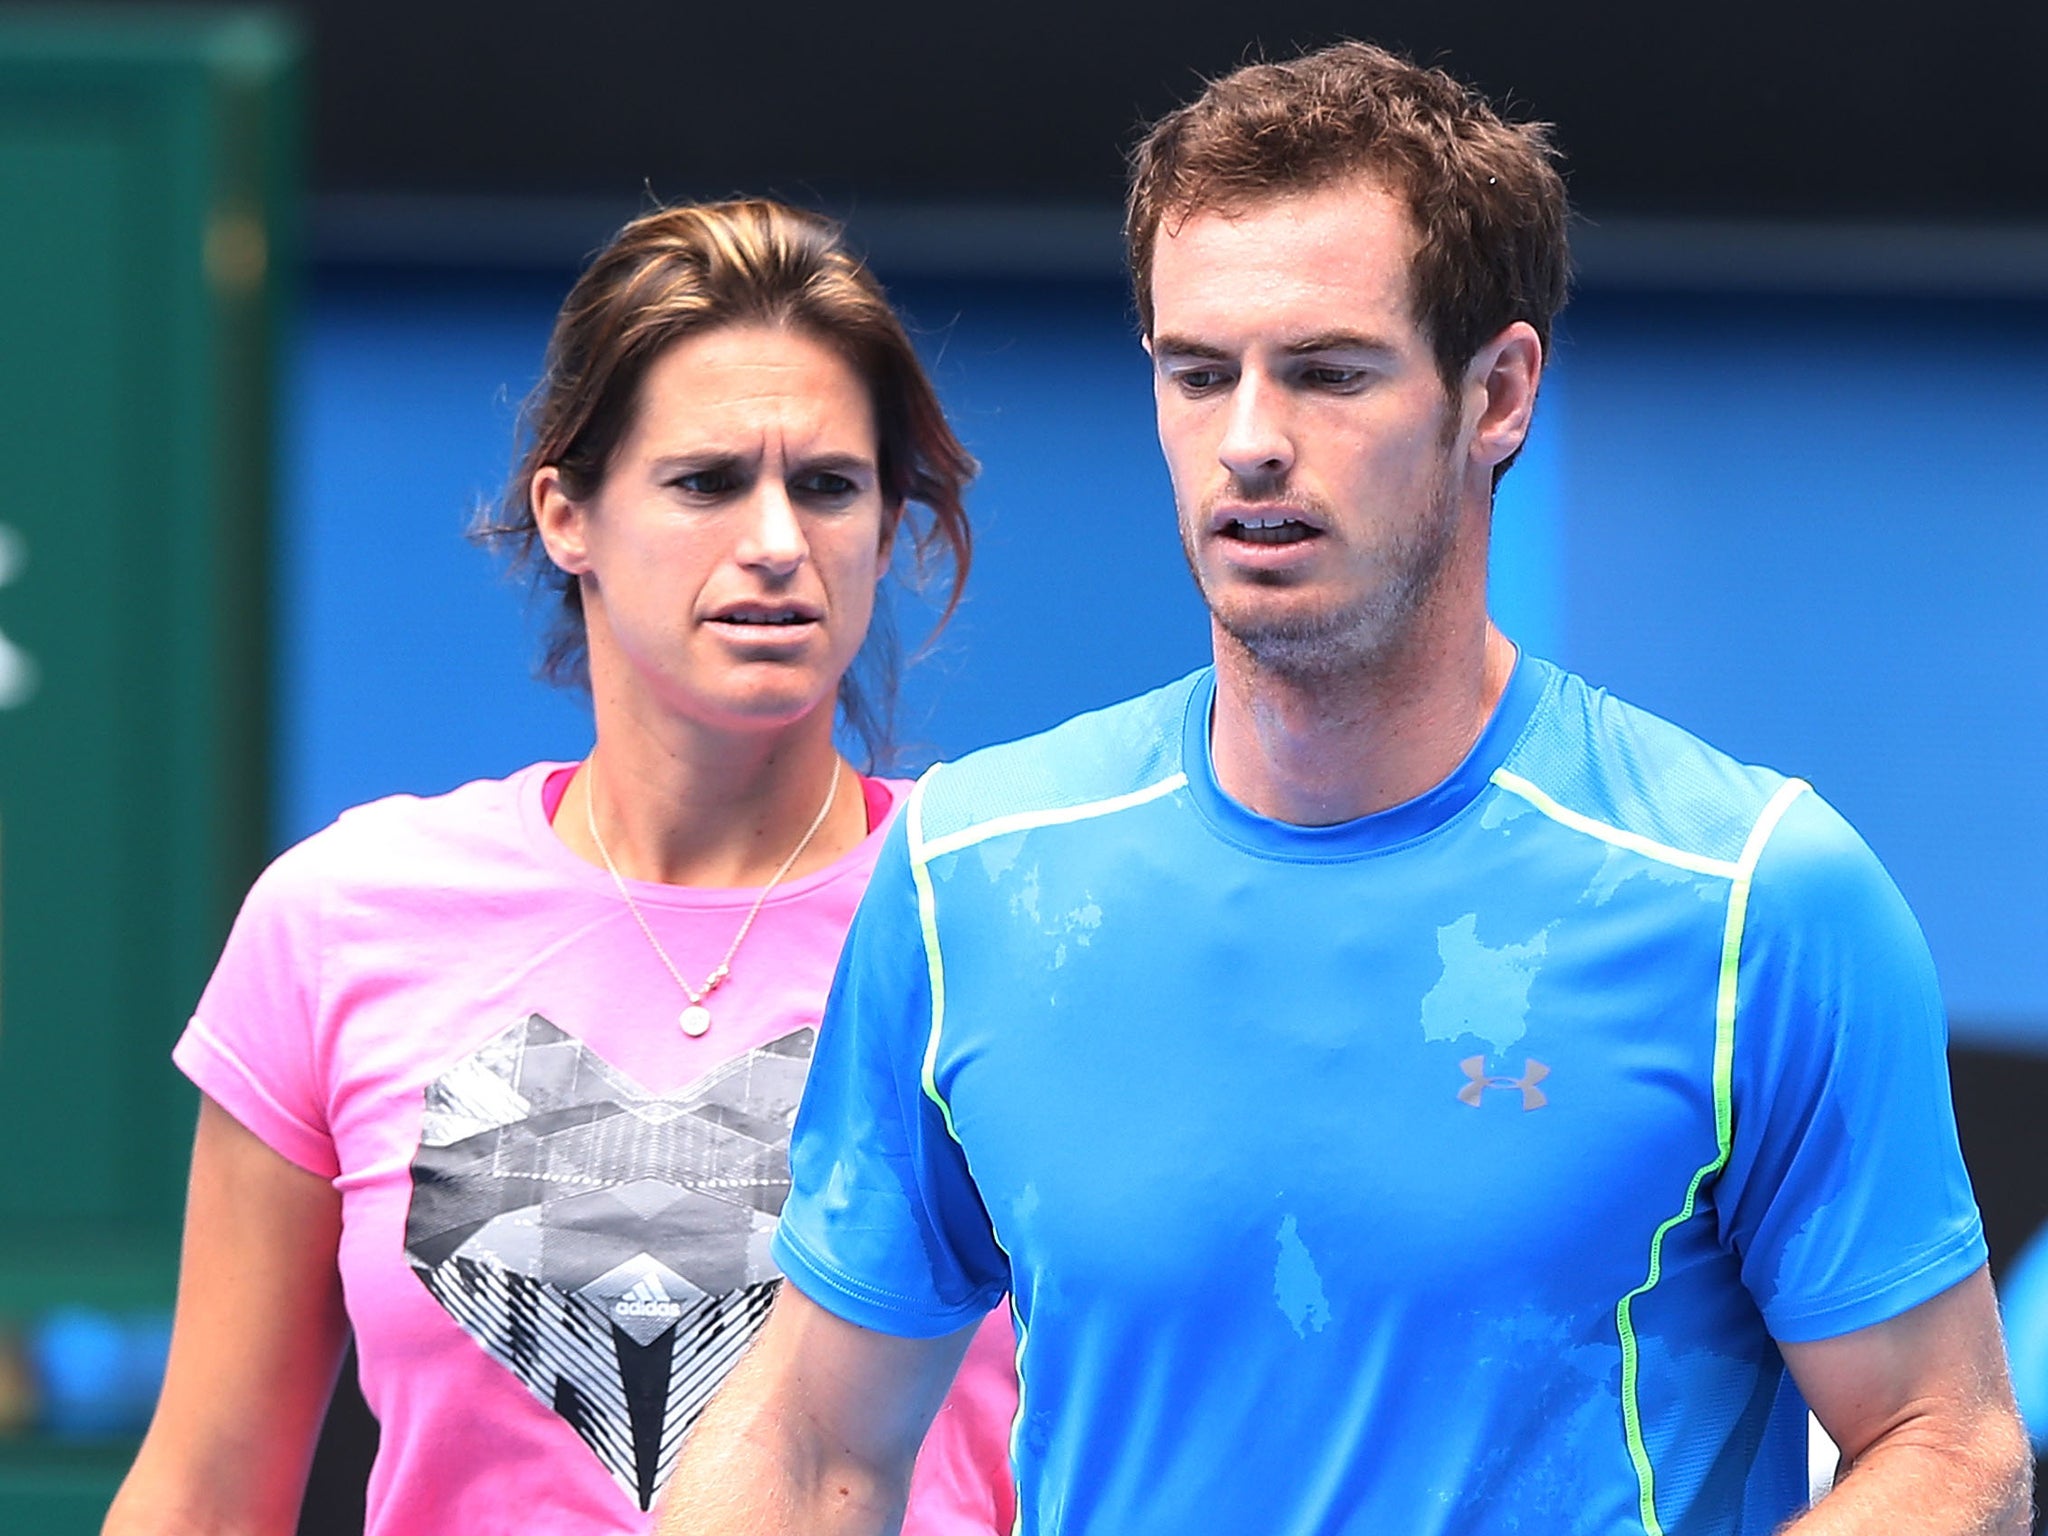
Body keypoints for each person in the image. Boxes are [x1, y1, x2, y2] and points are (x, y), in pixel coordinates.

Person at [655, 44, 2033, 1536]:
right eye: (1199, 374)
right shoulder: (970, 874)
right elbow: (808, 1442)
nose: (1248, 439)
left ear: (1496, 393)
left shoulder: (1757, 895)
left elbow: (1948, 1446)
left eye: (1327, 371)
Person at [104, 200, 1017, 1536]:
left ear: (888, 527)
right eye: (706, 482)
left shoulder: (999, 917)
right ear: (567, 513)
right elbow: (202, 1489)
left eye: (828, 485)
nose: (776, 541)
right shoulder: (338, 921)